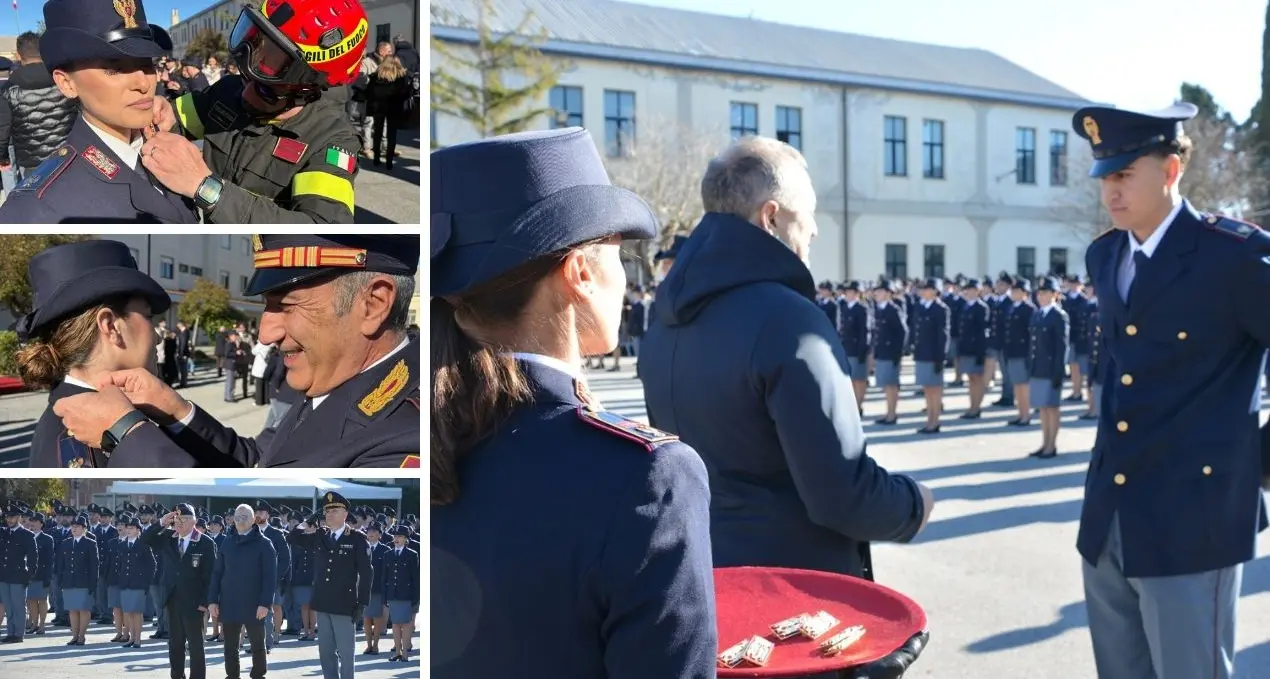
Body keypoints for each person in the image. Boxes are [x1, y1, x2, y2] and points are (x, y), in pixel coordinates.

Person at [637, 135, 931, 677]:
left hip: (708, 580)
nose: (814, 230)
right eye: (808, 213)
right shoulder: (788, 319)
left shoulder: (667, 317)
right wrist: (914, 503)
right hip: (793, 603)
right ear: (771, 217)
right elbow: (842, 495)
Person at [431, 128, 718, 678]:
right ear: (580, 272)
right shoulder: (646, 477)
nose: (625, 277)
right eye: (618, 253)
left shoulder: (410, 431)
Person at [1073, 101, 1270, 679]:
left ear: (1170, 170)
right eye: (1103, 176)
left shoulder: (1233, 256)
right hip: (1110, 515)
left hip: (1192, 519)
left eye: (1124, 173)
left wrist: (1256, 460)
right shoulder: (1105, 254)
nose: (1110, 190)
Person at [48, 235, 420, 468]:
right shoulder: (321, 380)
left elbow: (257, 510)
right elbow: (259, 463)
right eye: (267, 307)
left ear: (373, 304)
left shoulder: (409, 436)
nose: (266, 333)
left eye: (287, 306)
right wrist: (176, 410)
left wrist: (125, 433)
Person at [143, 0, 367, 223]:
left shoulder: (332, 139)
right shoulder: (227, 90)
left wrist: (205, 188)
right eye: (257, 43)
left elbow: (320, 230)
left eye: (264, 86)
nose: (245, 92)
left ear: (306, 86)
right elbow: (174, 119)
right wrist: (163, 111)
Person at [0, 0, 197, 223]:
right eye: (115, 69)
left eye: (146, 64)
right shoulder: (35, 209)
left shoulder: (172, 148)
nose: (143, 83)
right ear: (66, 83)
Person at [15, 240, 172, 469]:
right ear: (111, 326)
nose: (157, 337)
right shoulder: (84, 439)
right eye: (148, 317)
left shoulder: (78, 412)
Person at [287, 492, 370, 679]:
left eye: (335, 511)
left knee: (346, 653)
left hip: (344, 604)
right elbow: (293, 538)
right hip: (322, 602)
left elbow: (366, 573)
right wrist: (308, 521)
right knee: (325, 652)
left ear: (345, 514)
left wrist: (362, 603)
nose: (330, 514)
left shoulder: (356, 539)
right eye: (327, 511)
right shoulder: (320, 535)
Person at [144, 504, 217, 679]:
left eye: (183, 519)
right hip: (173, 600)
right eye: (176, 519)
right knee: (175, 645)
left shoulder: (205, 542)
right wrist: (162, 522)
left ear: (193, 521)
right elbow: (145, 540)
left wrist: (205, 602)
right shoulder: (168, 538)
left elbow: (211, 575)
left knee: (196, 646)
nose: (178, 522)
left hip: (195, 603)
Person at [0, 31, 79, 184]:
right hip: (68, 153)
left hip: (32, 162)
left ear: (18, 55)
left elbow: (3, 127)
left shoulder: (8, 89)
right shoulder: (62, 79)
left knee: (39, 195)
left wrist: (3, 157)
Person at [209, 504, 275, 679]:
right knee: (230, 646)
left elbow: (270, 577)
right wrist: (213, 600)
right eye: (237, 517)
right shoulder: (227, 542)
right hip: (229, 602)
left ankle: (258, 675)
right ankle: (232, 675)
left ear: (253, 520)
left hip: (255, 604)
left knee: (257, 645)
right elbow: (217, 573)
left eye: (245, 517)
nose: (240, 520)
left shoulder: (264, 544)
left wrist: (265, 603)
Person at [1026, 276, 1069, 459]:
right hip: (1038, 367)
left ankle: (1052, 445)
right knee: (1042, 408)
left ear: (1055, 294)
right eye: (1040, 292)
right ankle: (1044, 443)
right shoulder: (1037, 314)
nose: (1041, 296)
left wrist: (1059, 371)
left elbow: (1062, 347)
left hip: (1051, 369)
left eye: (1046, 293)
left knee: (1052, 407)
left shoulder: (1059, 316)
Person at [911, 277, 949, 434]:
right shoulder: (920, 307)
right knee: (927, 388)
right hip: (922, 352)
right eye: (922, 289)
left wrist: (940, 357)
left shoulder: (940, 309)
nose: (923, 291)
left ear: (935, 291)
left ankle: (935, 422)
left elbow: (943, 335)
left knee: (935, 389)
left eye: (927, 289)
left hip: (934, 355)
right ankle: (929, 421)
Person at [55, 514, 97, 645]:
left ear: (84, 529)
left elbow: (94, 566)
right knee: (72, 609)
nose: (74, 528)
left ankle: (81, 636)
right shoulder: (65, 543)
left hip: (84, 582)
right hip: (69, 582)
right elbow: (61, 564)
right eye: (73, 526)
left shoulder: (90, 543)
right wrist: (60, 581)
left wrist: (93, 583)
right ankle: (74, 635)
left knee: (83, 609)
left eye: (77, 526)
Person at [871, 280, 907, 424]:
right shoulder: (879, 309)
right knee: (886, 385)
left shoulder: (893, 310)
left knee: (891, 385)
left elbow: (903, 332)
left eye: (879, 291)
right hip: (882, 351)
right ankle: (889, 413)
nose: (876, 294)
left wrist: (897, 353)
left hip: (891, 353)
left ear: (887, 293)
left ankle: (892, 414)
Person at [365, 55, 410, 170]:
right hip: (394, 107)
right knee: (392, 134)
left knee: (378, 132)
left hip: (378, 107)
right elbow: (405, 93)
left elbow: (370, 93)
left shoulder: (376, 76)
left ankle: (376, 158)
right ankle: (389, 161)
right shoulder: (401, 77)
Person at [1, 503, 38, 643]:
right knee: (8, 606)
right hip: (3, 575)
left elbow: (33, 558)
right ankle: (10, 632)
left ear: (18, 517)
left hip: (18, 576)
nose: (9, 520)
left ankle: (18, 634)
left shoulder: (26, 535)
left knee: (18, 606)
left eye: (12, 517)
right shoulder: (3, 533)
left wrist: (29, 575)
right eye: (7, 517)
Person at [1003, 278, 1036, 426]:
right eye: (1013, 291)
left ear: (1025, 293)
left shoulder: (1029, 309)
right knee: (1017, 384)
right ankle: (1020, 413)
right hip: (1012, 351)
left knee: (1024, 385)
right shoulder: (1011, 307)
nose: (1014, 293)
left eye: (1017, 291)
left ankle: (1026, 415)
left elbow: (1031, 334)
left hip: (1023, 352)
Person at [382, 524, 417, 662]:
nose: (396, 539)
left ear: (406, 539)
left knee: (406, 624)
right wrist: (385, 595)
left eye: (400, 536)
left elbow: (415, 577)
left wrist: (416, 596)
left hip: (406, 594)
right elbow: (384, 577)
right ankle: (397, 651)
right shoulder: (388, 554)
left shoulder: (412, 554)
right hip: (393, 594)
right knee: (395, 624)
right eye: (395, 536)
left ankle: (405, 653)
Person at [956, 278, 990, 418]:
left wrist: (981, 354)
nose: (970, 292)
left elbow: (982, 332)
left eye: (973, 290)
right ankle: (972, 406)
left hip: (976, 349)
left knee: (977, 378)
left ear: (978, 291)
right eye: (968, 289)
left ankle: (976, 407)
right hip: (966, 348)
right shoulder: (965, 306)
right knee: (971, 378)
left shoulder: (981, 307)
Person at [837, 281, 871, 412]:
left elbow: (865, 331)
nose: (847, 294)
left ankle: (858, 405)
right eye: (846, 292)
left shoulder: (862, 308)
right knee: (849, 379)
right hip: (847, 348)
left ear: (857, 294)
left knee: (859, 379)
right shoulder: (845, 307)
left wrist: (863, 350)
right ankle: (852, 405)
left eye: (850, 292)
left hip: (857, 349)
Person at [362, 521, 390, 654]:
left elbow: (388, 572)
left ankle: (376, 645)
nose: (371, 533)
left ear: (380, 534)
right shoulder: (362, 547)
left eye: (374, 531)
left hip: (378, 589)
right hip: (364, 588)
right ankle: (368, 645)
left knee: (377, 618)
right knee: (366, 618)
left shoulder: (385, 550)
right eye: (369, 531)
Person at [25, 513, 53, 636]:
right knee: (31, 600)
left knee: (41, 600)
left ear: (41, 524)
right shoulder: (27, 536)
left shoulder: (47, 539)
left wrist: (48, 577)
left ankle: (42, 625)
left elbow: (50, 560)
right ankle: (34, 624)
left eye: (35, 521)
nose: (32, 523)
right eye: (31, 521)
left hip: (42, 574)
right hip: (29, 574)